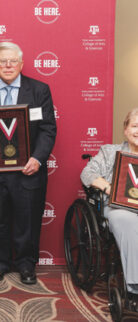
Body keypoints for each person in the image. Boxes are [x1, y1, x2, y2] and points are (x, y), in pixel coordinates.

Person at [0, 42, 56, 284]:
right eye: (3, 61)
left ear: (21, 64)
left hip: (28, 170)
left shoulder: (39, 90)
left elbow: (48, 129)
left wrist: (38, 158)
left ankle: (26, 264)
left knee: (27, 218)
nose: (8, 65)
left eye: (13, 61)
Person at [81, 108, 138, 306]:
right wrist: (109, 188)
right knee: (129, 220)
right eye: (135, 126)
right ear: (125, 129)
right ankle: (134, 288)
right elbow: (87, 174)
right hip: (117, 208)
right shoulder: (110, 152)